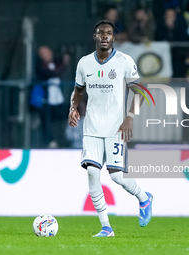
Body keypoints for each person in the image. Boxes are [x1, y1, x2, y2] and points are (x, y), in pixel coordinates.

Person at [68, 20, 153, 237]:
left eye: (108, 33)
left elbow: (140, 92)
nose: (105, 36)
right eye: (100, 33)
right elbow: (78, 90)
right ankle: (106, 227)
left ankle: (144, 198)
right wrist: (73, 108)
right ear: (95, 37)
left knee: (116, 177)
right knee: (93, 174)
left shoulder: (124, 61)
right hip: (92, 128)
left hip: (116, 128)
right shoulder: (84, 63)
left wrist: (130, 117)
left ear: (113, 38)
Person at [32, 46, 70, 148]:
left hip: (58, 97)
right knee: (46, 118)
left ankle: (66, 139)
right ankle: (50, 141)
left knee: (66, 114)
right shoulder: (40, 65)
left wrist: (64, 60)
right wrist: (63, 63)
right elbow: (52, 73)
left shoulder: (56, 62)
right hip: (46, 98)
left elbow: (59, 69)